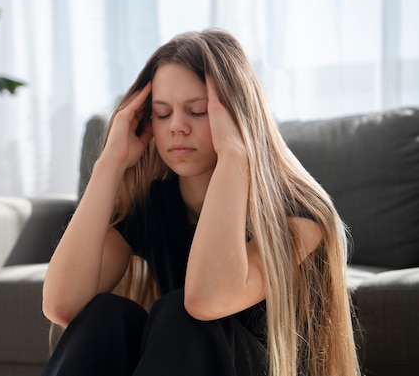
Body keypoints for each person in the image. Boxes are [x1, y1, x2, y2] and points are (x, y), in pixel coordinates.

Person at [41, 28, 360, 376]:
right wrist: (109, 164)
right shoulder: (155, 206)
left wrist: (235, 156)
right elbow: (63, 305)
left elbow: (207, 300)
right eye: (162, 114)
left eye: (197, 110)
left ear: (237, 116)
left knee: (185, 313)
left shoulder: (301, 213)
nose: (177, 126)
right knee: (105, 315)